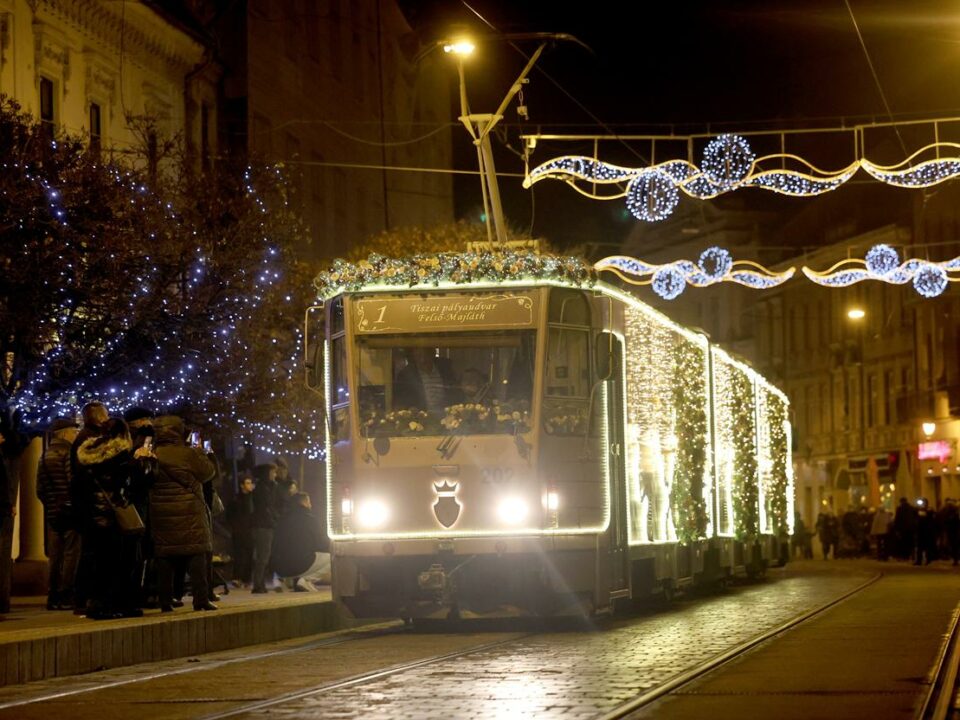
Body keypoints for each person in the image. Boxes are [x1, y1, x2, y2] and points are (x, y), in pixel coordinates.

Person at [76, 417, 149, 619]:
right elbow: (131, 485)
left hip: (93, 516)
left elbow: (78, 487)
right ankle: (111, 605)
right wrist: (142, 463)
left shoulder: (86, 455)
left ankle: (98, 604)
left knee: (99, 563)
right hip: (113, 516)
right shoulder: (121, 457)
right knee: (118, 563)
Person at [149, 415, 217, 612]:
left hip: (161, 511)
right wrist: (203, 454)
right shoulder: (188, 454)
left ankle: (165, 601)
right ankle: (201, 600)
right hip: (189, 511)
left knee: (165, 556)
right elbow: (208, 473)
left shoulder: (152, 452)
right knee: (196, 554)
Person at [36, 417, 81, 610]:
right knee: (72, 553)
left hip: (53, 513)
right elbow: (73, 482)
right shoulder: (68, 453)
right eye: (73, 431)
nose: (75, 435)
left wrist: (51, 504)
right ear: (65, 433)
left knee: (55, 555)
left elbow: (40, 489)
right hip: (70, 511)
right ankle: (66, 593)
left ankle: (52, 594)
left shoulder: (44, 455)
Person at [70, 401, 110, 615]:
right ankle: (84, 598)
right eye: (105, 413)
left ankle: (84, 597)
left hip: (87, 505)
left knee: (90, 552)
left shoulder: (86, 437)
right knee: (91, 553)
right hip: (91, 505)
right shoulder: (89, 439)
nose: (108, 416)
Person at [270, 493, 330, 591]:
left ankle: (278, 579)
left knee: (285, 556)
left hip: (279, 567)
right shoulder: (310, 519)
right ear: (305, 503)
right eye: (309, 502)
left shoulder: (281, 520)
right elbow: (322, 542)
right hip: (301, 564)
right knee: (332, 558)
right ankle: (306, 580)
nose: (311, 505)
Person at [393, 347, 456, 414]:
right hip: (421, 419)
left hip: (448, 416)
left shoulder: (445, 369)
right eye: (419, 356)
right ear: (413, 357)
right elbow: (402, 401)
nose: (423, 360)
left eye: (426, 355)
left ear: (433, 354)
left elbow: (455, 392)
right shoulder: (406, 375)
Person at [250, 462, 280, 593]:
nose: (275, 474)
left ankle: (259, 583)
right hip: (263, 526)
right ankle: (258, 584)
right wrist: (273, 521)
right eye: (273, 472)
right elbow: (267, 507)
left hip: (262, 525)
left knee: (262, 556)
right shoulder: (263, 489)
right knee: (263, 557)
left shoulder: (264, 487)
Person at [227, 474, 256, 587]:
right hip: (239, 531)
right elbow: (230, 514)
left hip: (249, 530)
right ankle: (237, 577)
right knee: (239, 555)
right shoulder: (235, 499)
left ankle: (247, 579)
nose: (250, 485)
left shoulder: (252, 498)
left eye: (250, 483)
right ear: (242, 485)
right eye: (247, 483)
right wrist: (234, 526)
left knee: (249, 555)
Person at [893, 497, 918, 561]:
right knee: (911, 542)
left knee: (904, 542)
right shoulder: (912, 508)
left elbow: (897, 519)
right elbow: (916, 517)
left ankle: (905, 556)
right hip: (911, 528)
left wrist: (896, 529)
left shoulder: (899, 509)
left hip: (903, 528)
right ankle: (912, 555)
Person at [914, 497, 938, 565]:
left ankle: (928, 559)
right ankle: (919, 560)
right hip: (920, 530)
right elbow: (915, 517)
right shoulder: (918, 510)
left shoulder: (929, 510)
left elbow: (931, 518)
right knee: (919, 547)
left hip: (927, 531)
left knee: (927, 546)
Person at [942, 499, 960, 566]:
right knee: (954, 546)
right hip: (953, 532)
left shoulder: (950, 514)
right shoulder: (952, 514)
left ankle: (955, 559)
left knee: (954, 546)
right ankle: (955, 559)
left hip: (953, 532)